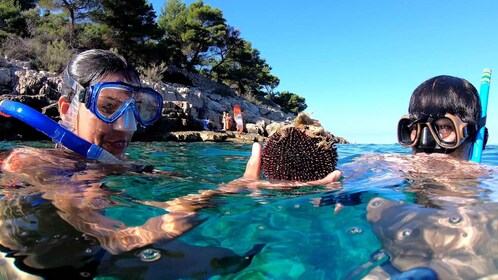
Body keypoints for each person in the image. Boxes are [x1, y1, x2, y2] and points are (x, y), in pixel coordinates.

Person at [0, 49, 342, 259]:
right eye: (108, 107)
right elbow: (118, 239)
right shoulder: (30, 163)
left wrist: (263, 189)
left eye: (137, 112)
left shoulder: (126, 168)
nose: (125, 127)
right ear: (66, 109)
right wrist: (229, 191)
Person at [354, 75, 493, 279]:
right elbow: (339, 176)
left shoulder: (488, 176)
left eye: (444, 127)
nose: (425, 144)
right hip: (399, 258)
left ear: (474, 135)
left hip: (472, 258)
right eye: (414, 128)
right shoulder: (387, 163)